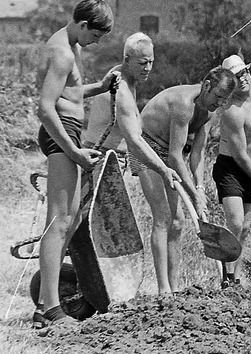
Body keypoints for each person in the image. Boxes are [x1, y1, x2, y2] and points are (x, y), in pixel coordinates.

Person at [34, 0, 119, 328]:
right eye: (95, 34)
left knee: (68, 220)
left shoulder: (69, 44)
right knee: (59, 222)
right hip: (61, 137)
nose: (96, 42)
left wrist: (99, 86)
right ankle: (51, 309)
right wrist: (74, 151)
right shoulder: (63, 52)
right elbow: (45, 107)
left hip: (66, 134)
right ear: (83, 24)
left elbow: (68, 92)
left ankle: (45, 303)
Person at [133, 67, 236, 294]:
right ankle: (163, 290)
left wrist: (199, 188)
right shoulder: (184, 104)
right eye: (217, 97)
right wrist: (193, 196)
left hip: (169, 150)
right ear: (206, 86)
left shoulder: (209, 112)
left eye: (224, 100)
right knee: (163, 217)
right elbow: (175, 156)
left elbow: (197, 154)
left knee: (178, 222)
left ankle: (175, 288)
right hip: (146, 147)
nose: (219, 103)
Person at [82, 32, 179, 185]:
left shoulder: (126, 76)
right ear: (127, 60)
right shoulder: (121, 90)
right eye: (142, 63)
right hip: (102, 161)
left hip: (111, 159)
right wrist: (163, 169)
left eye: (151, 62)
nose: (148, 68)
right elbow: (134, 141)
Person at [214, 54, 251, 287]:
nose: (244, 79)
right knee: (236, 224)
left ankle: (235, 277)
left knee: (246, 228)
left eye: (245, 73)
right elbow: (240, 155)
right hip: (231, 168)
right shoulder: (232, 111)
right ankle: (226, 275)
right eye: (238, 77)